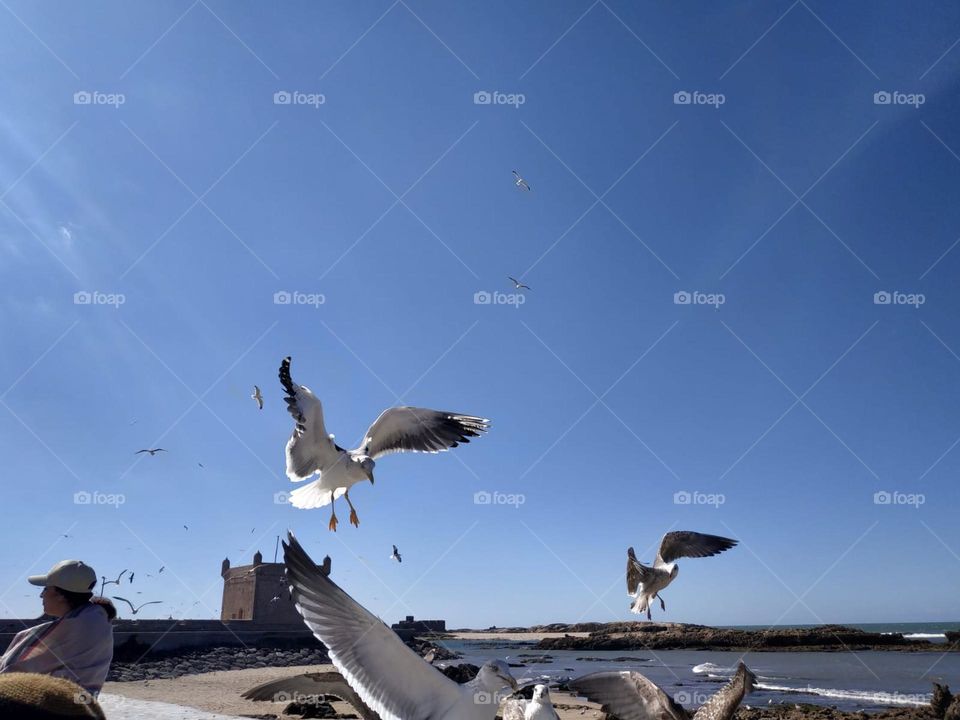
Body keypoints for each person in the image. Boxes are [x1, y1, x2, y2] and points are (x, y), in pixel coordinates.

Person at [0, 560, 115, 695]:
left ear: (60, 595)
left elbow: (11, 673)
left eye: (45, 588)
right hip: (82, 704)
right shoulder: (98, 620)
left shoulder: (72, 627)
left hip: (57, 707)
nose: (41, 595)